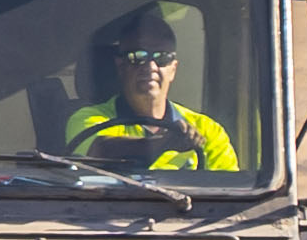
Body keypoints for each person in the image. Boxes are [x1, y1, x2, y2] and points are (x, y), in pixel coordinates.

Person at [63, 10, 236, 177]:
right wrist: (162, 143)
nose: (150, 67)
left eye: (162, 58)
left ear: (173, 69)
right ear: (121, 66)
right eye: (137, 57)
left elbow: (230, 190)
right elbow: (99, 151)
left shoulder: (208, 130)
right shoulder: (88, 118)